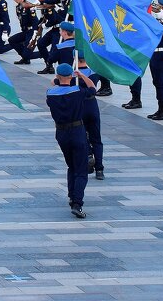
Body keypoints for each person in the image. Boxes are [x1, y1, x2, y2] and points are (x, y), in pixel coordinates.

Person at [46, 62, 96, 218]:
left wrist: (57, 81)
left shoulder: (51, 94)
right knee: (81, 169)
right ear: (70, 76)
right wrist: (81, 76)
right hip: (77, 131)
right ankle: (77, 203)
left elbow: (54, 84)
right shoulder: (77, 91)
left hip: (61, 133)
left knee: (71, 166)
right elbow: (93, 89)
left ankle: (71, 195)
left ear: (57, 76)